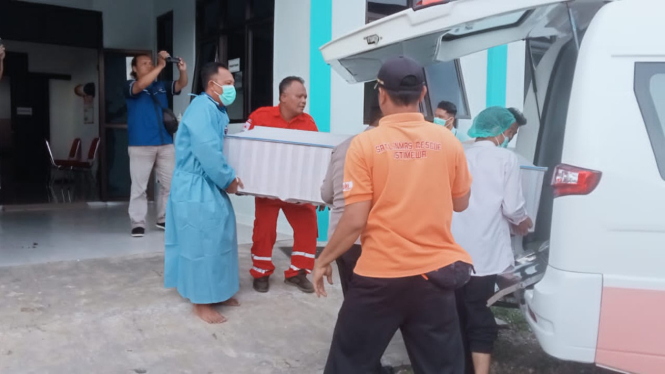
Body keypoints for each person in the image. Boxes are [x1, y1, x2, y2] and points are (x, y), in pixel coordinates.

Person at [313, 56, 474, 374]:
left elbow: (355, 218)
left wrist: (324, 259)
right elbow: (461, 203)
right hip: (435, 277)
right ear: (423, 94)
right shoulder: (448, 142)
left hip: (380, 277)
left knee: (349, 364)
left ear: (381, 94)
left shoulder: (365, 145)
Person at [451, 106, 533, 374]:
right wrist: (523, 221)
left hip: (450, 249)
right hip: (483, 253)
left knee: (454, 313)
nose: (511, 136)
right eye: (513, 132)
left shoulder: (458, 153)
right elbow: (512, 208)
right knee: (478, 313)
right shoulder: (505, 159)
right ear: (506, 130)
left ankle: (456, 365)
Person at [164, 62, 243, 324]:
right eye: (229, 83)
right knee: (201, 241)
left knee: (220, 237)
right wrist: (228, 178)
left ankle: (219, 291)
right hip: (195, 185)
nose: (233, 88)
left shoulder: (216, 109)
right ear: (213, 85)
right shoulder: (201, 109)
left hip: (207, 183)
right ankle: (201, 301)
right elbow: (208, 151)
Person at [244, 76, 319, 294]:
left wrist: (318, 190)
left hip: (297, 190)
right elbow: (244, 149)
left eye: (305, 96)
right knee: (264, 231)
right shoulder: (260, 117)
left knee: (308, 225)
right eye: (299, 96)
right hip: (268, 189)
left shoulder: (309, 123)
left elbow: (315, 158)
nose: (304, 100)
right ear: (283, 97)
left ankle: (298, 273)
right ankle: (261, 272)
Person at [124, 51, 188, 237]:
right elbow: (140, 85)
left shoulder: (161, 85)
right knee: (139, 187)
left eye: (151, 63)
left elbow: (181, 84)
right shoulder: (130, 85)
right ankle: (138, 223)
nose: (149, 65)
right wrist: (160, 66)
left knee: (170, 184)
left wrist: (182, 70)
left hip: (165, 142)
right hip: (140, 143)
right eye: (145, 63)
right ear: (134, 69)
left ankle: (164, 219)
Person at [320, 106, 382, 296]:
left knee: (353, 298)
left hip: (341, 239)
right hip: (377, 240)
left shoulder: (344, 146)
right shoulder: (392, 149)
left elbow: (326, 194)